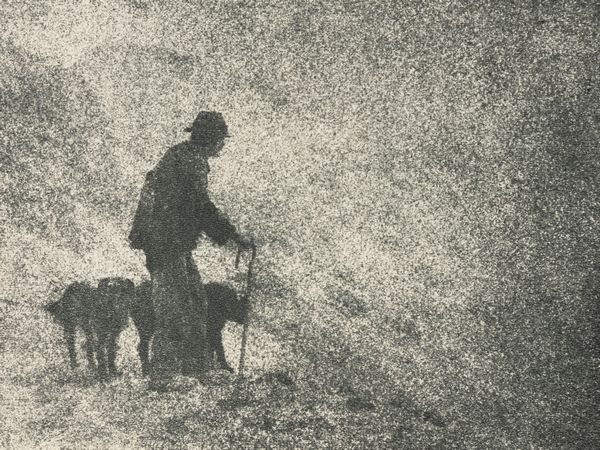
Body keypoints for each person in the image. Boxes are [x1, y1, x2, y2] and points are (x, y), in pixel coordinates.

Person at [128, 111, 251, 390]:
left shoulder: (184, 156)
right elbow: (201, 207)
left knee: (196, 300)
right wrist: (232, 235)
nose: (223, 144)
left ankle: (197, 369)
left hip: (173, 242)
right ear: (212, 139)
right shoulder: (190, 161)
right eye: (221, 139)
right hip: (165, 243)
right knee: (174, 306)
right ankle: (163, 375)